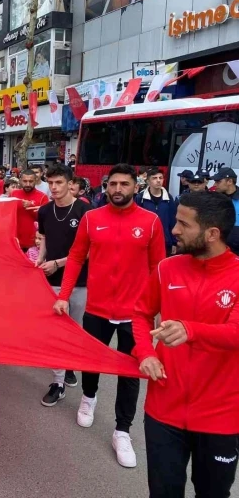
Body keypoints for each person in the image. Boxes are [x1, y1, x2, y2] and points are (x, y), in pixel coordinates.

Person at [54, 163, 166, 468]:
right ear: (106, 187)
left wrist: (160, 311)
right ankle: (88, 398)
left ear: (135, 187)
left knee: (130, 372)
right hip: (97, 308)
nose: (118, 189)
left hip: (136, 314)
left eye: (124, 184)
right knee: (93, 362)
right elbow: (76, 256)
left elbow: (159, 267)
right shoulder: (92, 219)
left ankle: (122, 430)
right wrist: (64, 296)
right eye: (113, 184)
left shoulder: (152, 221)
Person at [133, 191, 239, 498]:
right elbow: (140, 313)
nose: (174, 230)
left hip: (220, 415)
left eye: (183, 223)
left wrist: (190, 330)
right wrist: (145, 353)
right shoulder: (168, 268)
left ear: (212, 233)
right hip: (163, 410)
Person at [36, 164, 91, 407]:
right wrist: (40, 258)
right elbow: (45, 238)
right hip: (51, 281)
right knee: (56, 330)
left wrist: (58, 263)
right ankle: (57, 382)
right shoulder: (45, 211)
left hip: (79, 281)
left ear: (71, 184)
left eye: (59, 183)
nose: (54, 188)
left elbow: (89, 250)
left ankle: (69, 365)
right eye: (50, 183)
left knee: (74, 329)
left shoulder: (85, 211)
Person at [135, 168, 178, 257]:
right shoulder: (140, 198)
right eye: (154, 178)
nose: (158, 181)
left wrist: (174, 242)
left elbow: (173, 220)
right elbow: (135, 220)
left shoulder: (169, 198)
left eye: (160, 178)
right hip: (145, 240)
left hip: (165, 241)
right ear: (148, 181)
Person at [12, 169, 50, 251]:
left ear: (35, 181)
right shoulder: (14, 194)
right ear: (20, 181)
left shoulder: (42, 197)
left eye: (31, 181)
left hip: (34, 243)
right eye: (25, 181)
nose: (28, 184)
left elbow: (45, 219)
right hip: (16, 240)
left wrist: (32, 205)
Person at [211, 167, 239, 255]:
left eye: (218, 181)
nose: (215, 184)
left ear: (230, 181)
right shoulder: (214, 198)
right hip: (219, 248)